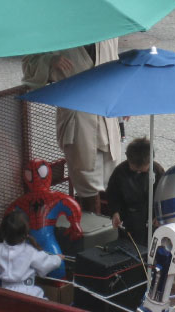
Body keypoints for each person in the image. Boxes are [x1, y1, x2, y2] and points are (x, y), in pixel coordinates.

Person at [21, 39, 121, 214]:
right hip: (77, 121)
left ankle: (111, 233)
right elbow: (29, 66)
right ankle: (92, 233)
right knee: (86, 183)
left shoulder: (109, 33)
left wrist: (121, 102)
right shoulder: (60, 29)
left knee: (113, 181)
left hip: (107, 118)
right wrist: (49, 60)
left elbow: (117, 69)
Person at [0, 210, 63, 299]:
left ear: (3, 230)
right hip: (28, 293)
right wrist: (57, 258)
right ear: (26, 232)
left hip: (4, 294)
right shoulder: (30, 250)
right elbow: (46, 263)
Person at [106, 137, 164, 247]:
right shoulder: (120, 171)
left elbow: (164, 194)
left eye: (142, 169)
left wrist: (160, 214)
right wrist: (115, 212)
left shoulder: (157, 171)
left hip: (150, 217)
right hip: (128, 217)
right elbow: (113, 194)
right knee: (129, 244)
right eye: (134, 168)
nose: (138, 171)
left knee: (151, 244)